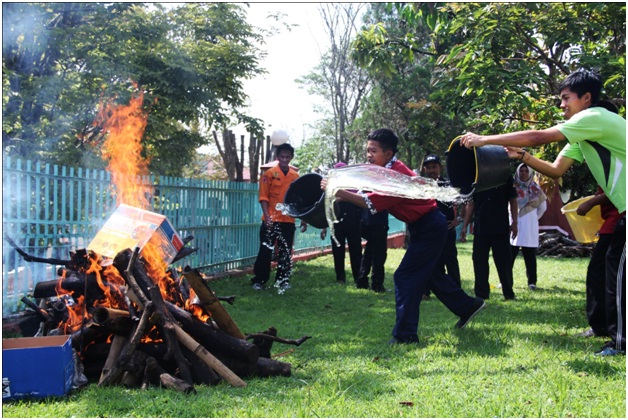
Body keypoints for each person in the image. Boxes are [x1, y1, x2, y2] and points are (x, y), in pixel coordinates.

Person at [460, 68, 625, 356]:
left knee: (618, 277)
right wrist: (521, 155)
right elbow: (555, 169)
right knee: (602, 269)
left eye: (566, 98)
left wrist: (485, 139)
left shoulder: (593, 117)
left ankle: (621, 343)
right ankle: (603, 328)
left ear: (586, 98)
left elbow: (538, 136)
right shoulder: (582, 134)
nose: (561, 104)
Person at [322, 128, 486, 344]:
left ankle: (405, 335)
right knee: (429, 274)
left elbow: (370, 203)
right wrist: (342, 193)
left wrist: (338, 192)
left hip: (429, 226)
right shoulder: (384, 170)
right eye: (367, 151)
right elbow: (367, 192)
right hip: (423, 226)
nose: (368, 155)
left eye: (373, 151)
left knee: (405, 276)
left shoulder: (394, 176)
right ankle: (468, 306)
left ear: (388, 154)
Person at [251, 143, 307, 292]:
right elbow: (263, 197)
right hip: (271, 220)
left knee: (286, 251)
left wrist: (303, 219)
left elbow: (300, 200)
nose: (284, 159)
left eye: (287, 157)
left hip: (288, 220)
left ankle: (283, 280)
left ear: (291, 158)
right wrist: (268, 218)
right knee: (265, 250)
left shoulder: (295, 177)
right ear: (277, 157)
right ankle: (259, 280)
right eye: (282, 156)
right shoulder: (269, 174)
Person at [461, 178, 518, 301]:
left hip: (500, 227)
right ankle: (481, 294)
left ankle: (508, 293)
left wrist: (515, 223)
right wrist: (465, 225)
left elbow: (513, 200)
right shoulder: (476, 178)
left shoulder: (505, 177)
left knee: (504, 262)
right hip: (481, 227)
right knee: (479, 260)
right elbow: (471, 204)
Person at [576, 188, 621, 338]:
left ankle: (603, 327)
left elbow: (618, 189)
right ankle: (603, 326)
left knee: (603, 277)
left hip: (617, 224)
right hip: (612, 223)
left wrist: (592, 202)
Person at [422, 154, 462, 286]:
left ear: (440, 168)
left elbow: (464, 202)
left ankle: (456, 289)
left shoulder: (448, 185)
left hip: (447, 228)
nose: (432, 170)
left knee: (450, 259)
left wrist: (458, 219)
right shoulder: (420, 185)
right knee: (429, 259)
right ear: (424, 169)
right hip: (428, 229)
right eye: (429, 167)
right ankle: (427, 290)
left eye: (434, 167)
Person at [324, 162, 363, 284]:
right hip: (337, 221)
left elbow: (358, 198)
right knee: (337, 249)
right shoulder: (331, 185)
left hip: (353, 221)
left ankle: (358, 276)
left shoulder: (352, 183)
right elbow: (327, 202)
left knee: (355, 249)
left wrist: (341, 197)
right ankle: (340, 277)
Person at [510, 163, 547, 290]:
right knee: (509, 255)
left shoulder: (536, 189)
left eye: (526, 171)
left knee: (530, 256)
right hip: (514, 224)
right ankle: (505, 280)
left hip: (530, 225)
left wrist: (532, 218)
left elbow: (543, 208)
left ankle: (532, 282)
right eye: (522, 171)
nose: (524, 173)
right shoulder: (512, 187)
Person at [357, 207, 389, 292]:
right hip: (378, 221)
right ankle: (377, 284)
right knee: (379, 253)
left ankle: (362, 280)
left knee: (369, 251)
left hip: (365, 220)